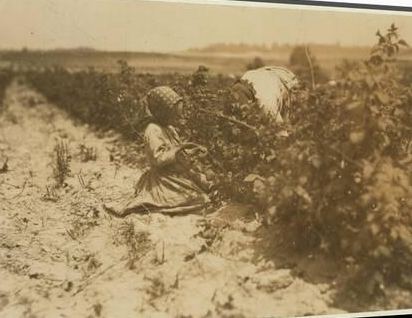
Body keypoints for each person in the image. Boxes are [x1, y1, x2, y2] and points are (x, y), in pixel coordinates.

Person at [104, 86, 211, 217]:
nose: (178, 118)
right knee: (199, 199)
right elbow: (158, 160)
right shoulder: (153, 130)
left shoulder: (169, 128)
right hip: (164, 178)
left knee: (203, 187)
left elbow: (175, 153)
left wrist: (193, 151)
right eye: (174, 116)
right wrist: (180, 147)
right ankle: (153, 207)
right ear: (162, 112)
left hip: (175, 174)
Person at [231, 66, 299, 123]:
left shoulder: (266, 76)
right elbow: (270, 110)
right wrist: (283, 134)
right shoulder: (271, 86)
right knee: (246, 128)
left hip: (239, 90)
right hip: (244, 94)